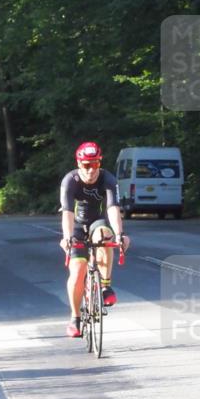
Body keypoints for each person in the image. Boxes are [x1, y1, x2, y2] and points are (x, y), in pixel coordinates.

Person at [59, 142, 131, 338]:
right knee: (78, 270)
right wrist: (67, 238)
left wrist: (120, 234)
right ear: (79, 164)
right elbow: (67, 212)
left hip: (96, 221)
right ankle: (75, 318)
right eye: (86, 165)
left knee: (105, 236)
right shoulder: (70, 180)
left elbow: (113, 208)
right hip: (76, 224)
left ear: (100, 163)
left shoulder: (108, 179)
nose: (91, 170)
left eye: (95, 164)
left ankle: (106, 286)